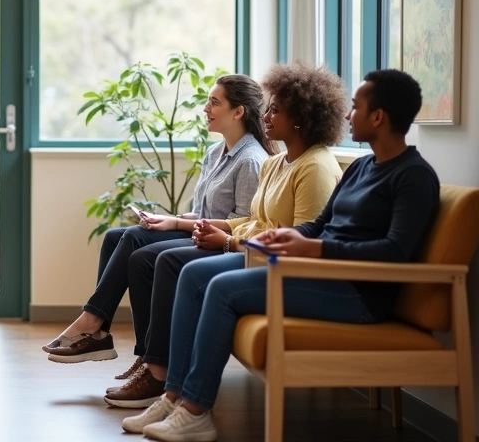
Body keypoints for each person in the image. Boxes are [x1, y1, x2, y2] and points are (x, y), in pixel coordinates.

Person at [125, 69, 440, 441]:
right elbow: (319, 224)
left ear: (378, 117)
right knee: (194, 275)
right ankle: (173, 397)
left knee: (222, 289)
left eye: (356, 107)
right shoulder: (361, 167)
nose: (347, 114)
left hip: (358, 291)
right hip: (321, 274)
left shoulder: (414, 176)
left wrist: (316, 248)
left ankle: (195, 410)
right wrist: (287, 235)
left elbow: (395, 252)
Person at [111, 63, 348, 411]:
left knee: (172, 262)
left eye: (275, 110)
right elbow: (255, 220)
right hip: (254, 253)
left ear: (301, 118)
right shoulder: (276, 163)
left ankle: (172, 387)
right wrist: (218, 228)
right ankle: (169, 387)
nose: (264, 116)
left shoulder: (315, 167)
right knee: (141, 244)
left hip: (281, 269)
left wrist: (226, 241)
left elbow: (299, 240)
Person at [42, 75, 273, 368]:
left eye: (214, 102)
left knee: (137, 246)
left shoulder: (251, 160)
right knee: (115, 237)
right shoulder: (215, 152)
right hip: (197, 232)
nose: (205, 109)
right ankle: (104, 336)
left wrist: (175, 224)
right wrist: (169, 219)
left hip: (218, 243)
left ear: (238, 111)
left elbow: (240, 223)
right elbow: (202, 212)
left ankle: (98, 327)